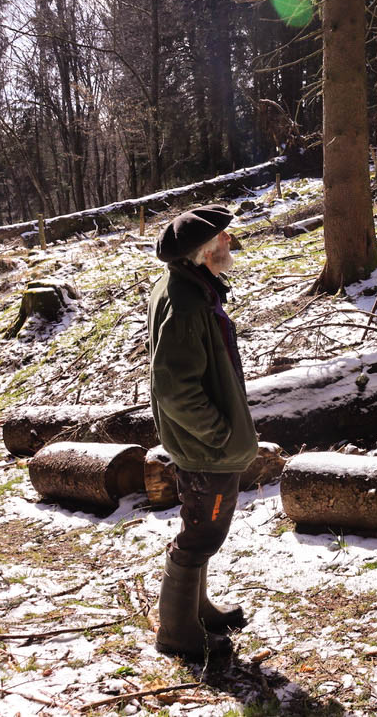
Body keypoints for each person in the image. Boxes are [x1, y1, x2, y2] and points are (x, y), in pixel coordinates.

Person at [147, 205, 258, 660]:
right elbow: (173, 388)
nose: (230, 243)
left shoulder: (190, 286)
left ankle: (198, 610)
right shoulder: (188, 302)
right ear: (201, 252)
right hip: (203, 448)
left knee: (202, 529)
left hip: (204, 444)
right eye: (223, 239)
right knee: (201, 533)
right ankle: (177, 633)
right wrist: (216, 434)